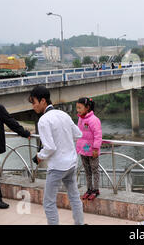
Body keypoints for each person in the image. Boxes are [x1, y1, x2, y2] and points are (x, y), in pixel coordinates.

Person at [28, 85, 84, 225]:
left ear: (42, 101)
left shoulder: (44, 120)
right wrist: (65, 142)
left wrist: (39, 156)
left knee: (48, 202)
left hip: (58, 166)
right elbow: (78, 134)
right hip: (71, 163)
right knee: (74, 197)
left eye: (34, 102)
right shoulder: (63, 114)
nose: (33, 106)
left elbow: (50, 148)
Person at [76, 97, 102, 201]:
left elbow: (98, 135)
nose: (78, 110)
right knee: (87, 170)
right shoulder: (80, 119)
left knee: (94, 170)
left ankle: (96, 190)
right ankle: (89, 189)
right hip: (84, 150)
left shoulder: (94, 120)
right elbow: (79, 133)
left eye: (79, 107)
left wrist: (96, 148)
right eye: (77, 108)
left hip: (92, 150)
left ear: (87, 107)